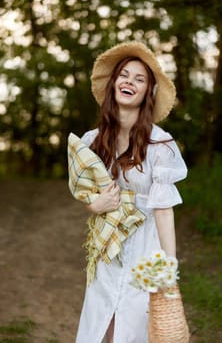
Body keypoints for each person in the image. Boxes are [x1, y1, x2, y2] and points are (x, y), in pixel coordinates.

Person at [70, 41, 188, 343]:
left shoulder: (160, 144)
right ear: (113, 84)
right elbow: (89, 195)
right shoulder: (92, 140)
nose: (129, 82)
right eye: (124, 75)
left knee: (133, 329)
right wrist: (95, 205)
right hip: (108, 250)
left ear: (148, 91)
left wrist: (169, 269)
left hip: (146, 251)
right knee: (101, 327)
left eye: (139, 79)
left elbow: (163, 210)